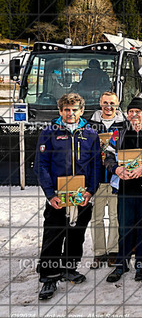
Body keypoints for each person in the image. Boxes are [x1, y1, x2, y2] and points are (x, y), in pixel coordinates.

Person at [35, 93, 100, 300]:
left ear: (81, 111)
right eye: (66, 110)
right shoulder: (49, 132)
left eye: (74, 110)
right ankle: (49, 277)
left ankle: (69, 267)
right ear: (60, 111)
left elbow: (96, 165)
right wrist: (50, 194)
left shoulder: (90, 133)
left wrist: (91, 190)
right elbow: (41, 165)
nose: (70, 114)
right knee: (53, 234)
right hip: (58, 195)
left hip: (81, 195)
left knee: (76, 234)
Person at [104, 97, 142, 283]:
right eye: (131, 112)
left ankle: (141, 265)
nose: (134, 115)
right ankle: (121, 264)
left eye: (138, 112)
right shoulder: (118, 133)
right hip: (124, 187)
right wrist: (116, 169)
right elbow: (107, 156)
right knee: (124, 227)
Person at [88, 91, 125, 269]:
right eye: (105, 103)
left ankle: (113, 251)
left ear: (117, 105)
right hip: (96, 179)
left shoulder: (124, 125)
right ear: (100, 103)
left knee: (114, 217)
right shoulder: (90, 124)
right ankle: (99, 252)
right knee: (96, 218)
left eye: (112, 103)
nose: (108, 107)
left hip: (116, 178)